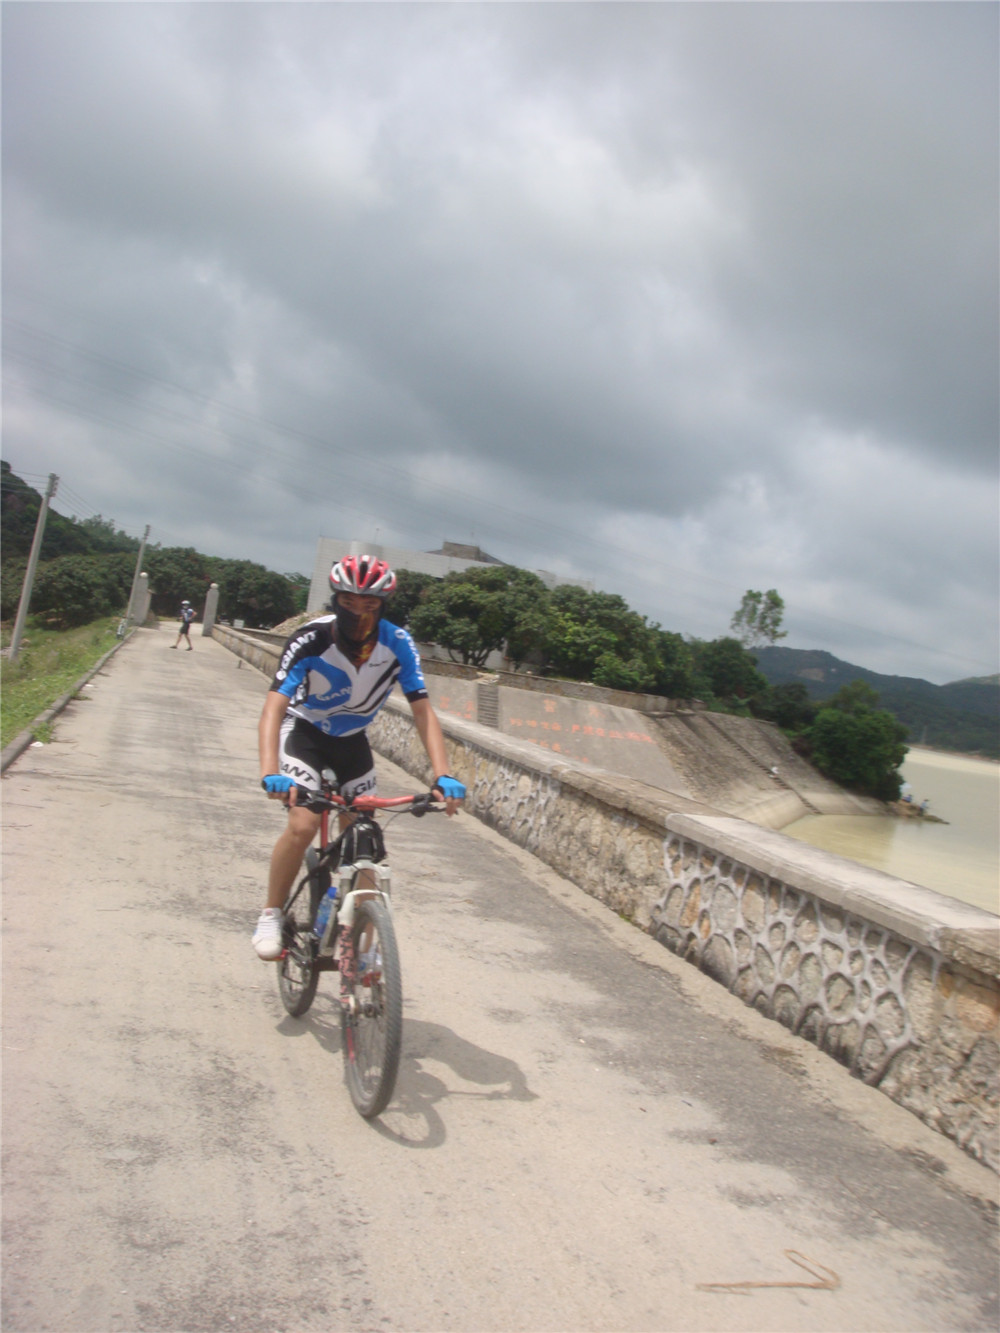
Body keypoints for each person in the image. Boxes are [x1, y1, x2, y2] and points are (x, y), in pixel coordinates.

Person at [252, 555, 466, 960]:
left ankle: (364, 948)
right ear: (336, 600)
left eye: (370, 604)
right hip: (304, 732)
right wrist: (270, 773)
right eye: (349, 602)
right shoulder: (310, 638)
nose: (359, 611)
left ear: (383, 605)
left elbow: (423, 711)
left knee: (365, 838)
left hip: (352, 740)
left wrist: (443, 775)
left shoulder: (398, 643)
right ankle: (271, 914)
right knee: (303, 823)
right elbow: (273, 708)